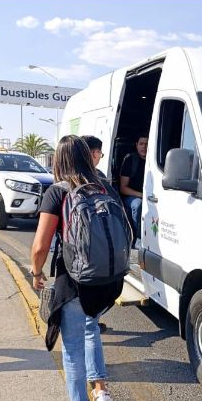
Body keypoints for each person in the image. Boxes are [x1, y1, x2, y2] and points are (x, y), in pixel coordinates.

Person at [30, 135, 123, 401]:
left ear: (58, 160)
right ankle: (101, 390)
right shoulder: (105, 186)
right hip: (107, 281)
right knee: (91, 328)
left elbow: (40, 245)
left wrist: (36, 272)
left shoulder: (57, 192)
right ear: (87, 156)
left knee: (71, 349)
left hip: (75, 280)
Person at [81, 135, 109, 334]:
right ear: (93, 153)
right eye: (100, 152)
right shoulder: (99, 178)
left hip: (76, 251)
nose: (100, 156)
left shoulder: (65, 179)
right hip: (99, 246)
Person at [119, 135, 147, 248]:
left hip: (150, 195)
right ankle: (138, 239)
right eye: (141, 144)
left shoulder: (156, 160)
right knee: (138, 204)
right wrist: (141, 195)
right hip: (131, 196)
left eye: (147, 144)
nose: (144, 147)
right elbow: (123, 188)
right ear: (136, 145)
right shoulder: (130, 159)